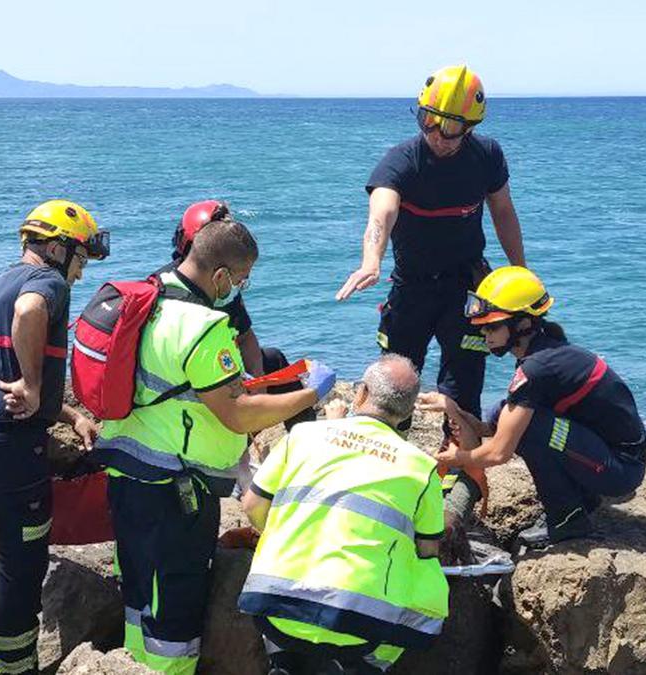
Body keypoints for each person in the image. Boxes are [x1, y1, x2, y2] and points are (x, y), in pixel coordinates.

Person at [92, 218, 337, 674]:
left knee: (139, 587)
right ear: (221, 276)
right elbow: (237, 413)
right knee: (176, 602)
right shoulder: (204, 328)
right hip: (174, 485)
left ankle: (132, 663)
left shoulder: (152, 293)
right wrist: (311, 394)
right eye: (240, 280)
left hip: (126, 466)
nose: (239, 289)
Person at [0, 199, 109, 675]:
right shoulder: (46, 282)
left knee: (19, 510)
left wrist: (68, 414)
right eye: (80, 258)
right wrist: (34, 387)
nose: (80, 272)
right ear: (57, 249)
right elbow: (30, 313)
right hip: (1, 440)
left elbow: (2, 365)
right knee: (23, 560)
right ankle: (14, 666)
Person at [335, 64, 525, 426]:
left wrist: (519, 269)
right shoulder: (402, 160)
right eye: (427, 120)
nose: (436, 134)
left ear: (470, 127)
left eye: (450, 127)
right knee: (392, 387)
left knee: (463, 390)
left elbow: (503, 210)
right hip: (412, 288)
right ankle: (384, 464)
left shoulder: (487, 157)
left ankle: (462, 472)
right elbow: (382, 213)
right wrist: (371, 260)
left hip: (466, 286)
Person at [237, 354, 448, 675]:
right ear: (408, 412)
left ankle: (283, 660)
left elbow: (251, 505)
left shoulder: (303, 436)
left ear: (361, 394)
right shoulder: (421, 468)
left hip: (273, 607)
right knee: (427, 574)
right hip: (358, 624)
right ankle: (367, 666)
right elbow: (428, 551)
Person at [420, 266, 646, 546]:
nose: (485, 334)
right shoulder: (544, 351)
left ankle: (568, 520)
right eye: (482, 327)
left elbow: (498, 453)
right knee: (505, 411)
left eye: (492, 326)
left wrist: (452, 459)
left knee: (532, 430)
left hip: (620, 470)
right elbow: (492, 427)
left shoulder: (537, 368)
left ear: (522, 324)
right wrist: (453, 409)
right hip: (604, 455)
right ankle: (579, 499)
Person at [160, 200, 315, 430]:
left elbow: (245, 336)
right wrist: (314, 393)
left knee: (275, 361)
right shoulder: (171, 298)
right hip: (187, 380)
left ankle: (308, 445)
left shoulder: (223, 289)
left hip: (223, 367)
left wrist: (258, 386)